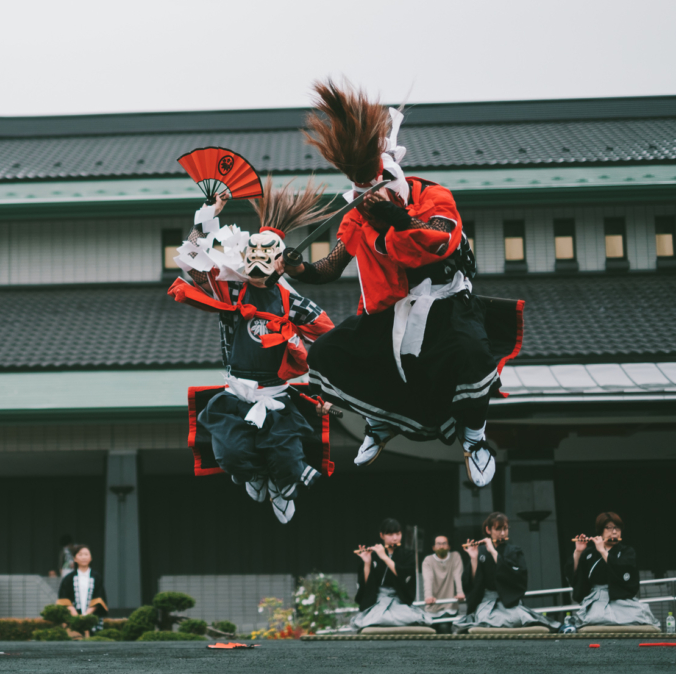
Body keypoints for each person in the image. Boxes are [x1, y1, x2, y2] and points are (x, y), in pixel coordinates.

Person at [283, 81, 524, 488]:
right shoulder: (356, 217)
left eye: (379, 200)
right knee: (326, 354)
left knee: (470, 354)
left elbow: (441, 239)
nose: (372, 208)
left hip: (446, 304)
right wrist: (301, 270)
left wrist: (400, 222)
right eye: (365, 203)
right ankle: (379, 421)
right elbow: (333, 264)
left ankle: (474, 436)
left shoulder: (432, 196)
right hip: (386, 313)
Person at [168, 178, 336, 523]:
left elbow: (330, 341)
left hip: (278, 394)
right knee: (231, 454)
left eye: (266, 254)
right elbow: (194, 260)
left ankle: (283, 485)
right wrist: (208, 217)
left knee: (287, 458)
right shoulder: (230, 292)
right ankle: (254, 476)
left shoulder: (293, 301)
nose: (257, 258)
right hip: (238, 393)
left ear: (280, 261)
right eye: (253, 252)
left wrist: (333, 390)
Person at [455, 512, 558, 632]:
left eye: (505, 529)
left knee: (517, 618)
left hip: (509, 601)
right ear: (488, 530)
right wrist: (473, 558)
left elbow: (517, 577)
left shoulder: (514, 551)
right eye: (498, 529)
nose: (502, 533)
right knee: (487, 619)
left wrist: (493, 552)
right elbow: (472, 582)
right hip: (487, 602)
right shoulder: (480, 550)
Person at [569, 512, 660, 630]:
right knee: (596, 618)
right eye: (609, 528)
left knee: (638, 617)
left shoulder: (627, 551)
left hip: (621, 598)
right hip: (597, 599)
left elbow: (623, 571)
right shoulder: (590, 553)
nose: (615, 531)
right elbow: (576, 576)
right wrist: (578, 552)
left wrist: (603, 551)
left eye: (617, 528)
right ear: (600, 531)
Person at [350, 518, 431, 632]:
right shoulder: (374, 554)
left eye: (398, 534)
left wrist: (384, 557)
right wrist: (367, 562)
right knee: (377, 619)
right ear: (382, 535)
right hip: (378, 600)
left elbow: (404, 575)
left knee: (409, 618)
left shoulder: (407, 555)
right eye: (390, 534)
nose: (395, 538)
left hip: (398, 599)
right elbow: (366, 585)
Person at [421, 536, 465, 622]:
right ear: (433, 547)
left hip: (450, 607)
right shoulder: (428, 560)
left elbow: (458, 575)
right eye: (438, 544)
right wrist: (428, 596)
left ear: (449, 546)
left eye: (444, 543)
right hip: (433, 607)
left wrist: (460, 592)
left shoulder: (455, 557)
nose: (441, 546)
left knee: (444, 627)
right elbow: (428, 579)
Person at [57, 545, 108, 618]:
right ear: (75, 558)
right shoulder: (68, 578)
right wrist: (77, 617)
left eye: (86, 554)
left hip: (92, 618)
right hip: (72, 619)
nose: (84, 557)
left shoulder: (97, 577)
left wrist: (86, 615)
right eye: (80, 554)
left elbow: (99, 597)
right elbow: (64, 598)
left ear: (90, 558)